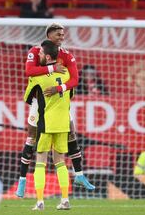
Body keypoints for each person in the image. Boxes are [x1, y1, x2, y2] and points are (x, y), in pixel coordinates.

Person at [16, 23, 95, 198]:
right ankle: (22, 181)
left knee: (71, 134)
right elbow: (29, 71)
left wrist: (59, 89)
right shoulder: (36, 51)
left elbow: (75, 80)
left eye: (63, 34)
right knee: (32, 138)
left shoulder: (67, 55)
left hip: (59, 101)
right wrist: (52, 68)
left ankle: (80, 175)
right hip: (39, 102)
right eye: (59, 34)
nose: (62, 37)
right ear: (49, 34)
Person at [24, 40, 71, 210]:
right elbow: (70, 94)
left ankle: (40, 202)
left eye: (41, 54)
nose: (39, 56)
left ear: (48, 56)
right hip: (63, 124)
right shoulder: (66, 74)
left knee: (40, 161)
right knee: (60, 162)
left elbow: (27, 98)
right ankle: (65, 200)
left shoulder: (38, 76)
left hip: (46, 123)